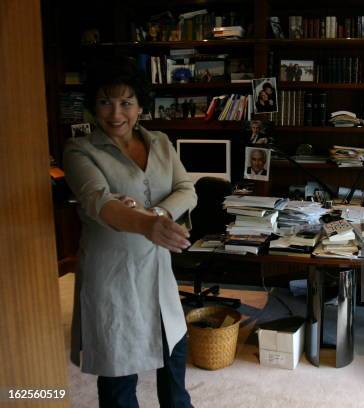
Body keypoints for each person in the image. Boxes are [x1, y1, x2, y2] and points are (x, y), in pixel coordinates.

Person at [63, 57, 196, 407]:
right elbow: (99, 203)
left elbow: (187, 189)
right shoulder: (79, 150)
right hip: (111, 274)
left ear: (140, 106)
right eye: (106, 102)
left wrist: (156, 214)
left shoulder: (162, 143)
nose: (116, 113)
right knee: (119, 377)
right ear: (94, 106)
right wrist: (148, 225)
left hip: (158, 272)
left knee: (174, 358)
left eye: (126, 102)